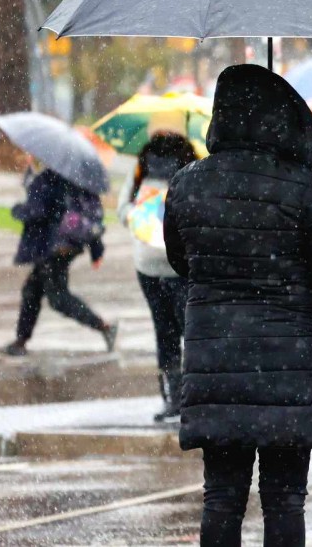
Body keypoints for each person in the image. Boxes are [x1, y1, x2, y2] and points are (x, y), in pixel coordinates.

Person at [163, 65, 312, 547]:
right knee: (285, 499)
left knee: (221, 497)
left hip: (217, 362)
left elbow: (180, 261)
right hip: (292, 368)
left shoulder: (188, 183)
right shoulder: (306, 190)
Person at [117, 130, 198, 422]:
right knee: (191, 330)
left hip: (150, 266)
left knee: (165, 331)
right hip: (180, 265)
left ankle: (173, 396)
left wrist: (140, 216)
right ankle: (192, 395)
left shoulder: (141, 170)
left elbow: (122, 209)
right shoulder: (192, 170)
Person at [4, 164, 115, 357]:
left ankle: (104, 327)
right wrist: (97, 249)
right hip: (64, 244)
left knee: (58, 298)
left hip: (54, 246)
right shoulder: (74, 175)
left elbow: (39, 211)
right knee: (32, 290)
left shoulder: (50, 177)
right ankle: (20, 341)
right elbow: (80, 212)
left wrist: (18, 210)